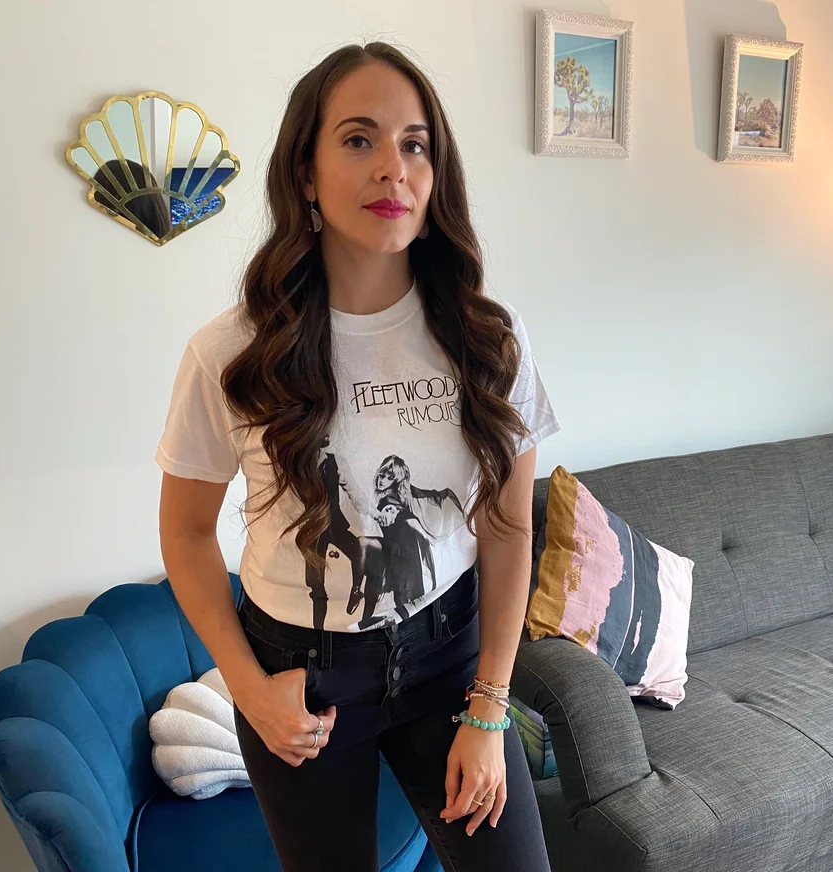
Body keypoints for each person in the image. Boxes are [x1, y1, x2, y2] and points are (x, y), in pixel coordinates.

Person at [154, 40, 561, 872]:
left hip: (452, 660)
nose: (392, 168)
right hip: (301, 680)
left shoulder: (488, 337)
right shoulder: (232, 353)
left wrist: (490, 705)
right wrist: (248, 690)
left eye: (415, 144)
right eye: (358, 139)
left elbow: (508, 527)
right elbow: (187, 533)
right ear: (305, 172)